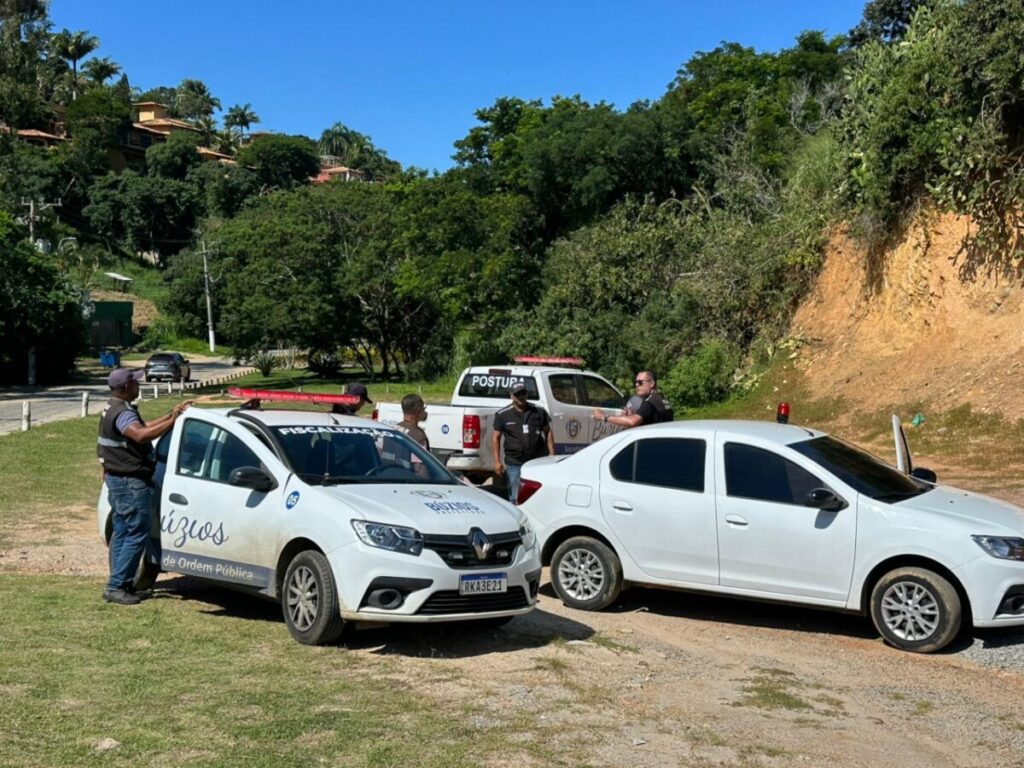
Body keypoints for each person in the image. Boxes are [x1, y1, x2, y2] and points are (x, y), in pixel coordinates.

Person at [98, 367, 191, 605]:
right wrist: (172, 421)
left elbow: (142, 425)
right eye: (136, 382)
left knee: (122, 531)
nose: (139, 384)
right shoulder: (122, 413)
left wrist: (171, 415)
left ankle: (120, 583)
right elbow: (140, 435)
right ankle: (117, 586)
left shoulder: (114, 407)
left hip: (118, 480)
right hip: (130, 482)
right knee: (136, 533)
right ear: (126, 387)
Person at [492, 383, 555, 503]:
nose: (521, 397)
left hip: (536, 461)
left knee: (537, 495)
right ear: (512, 396)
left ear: (527, 394)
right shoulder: (502, 415)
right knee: (516, 497)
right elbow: (496, 437)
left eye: (523, 393)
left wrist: (552, 454)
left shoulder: (538, 411)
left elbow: (548, 432)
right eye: (517, 394)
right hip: (514, 461)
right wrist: (496, 462)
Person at [593, 370, 673, 428]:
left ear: (651, 383)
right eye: (636, 382)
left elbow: (632, 422)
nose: (637, 385)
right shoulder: (663, 400)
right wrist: (634, 415)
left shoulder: (649, 403)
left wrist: (603, 416)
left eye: (640, 382)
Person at [394, 393, 430, 479]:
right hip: (408, 480)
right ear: (418, 410)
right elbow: (420, 469)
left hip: (389, 476)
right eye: (424, 408)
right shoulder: (418, 436)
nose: (425, 412)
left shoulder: (393, 429)